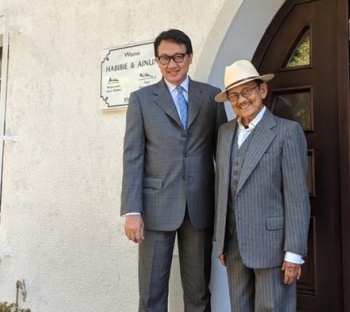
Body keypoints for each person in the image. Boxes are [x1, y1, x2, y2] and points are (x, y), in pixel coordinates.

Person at [120, 29, 227, 311]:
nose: (172, 64)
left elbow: (223, 155)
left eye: (178, 56)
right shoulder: (141, 99)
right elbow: (133, 156)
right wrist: (132, 210)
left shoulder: (211, 97)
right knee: (152, 294)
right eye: (164, 58)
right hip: (155, 208)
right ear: (157, 61)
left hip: (199, 207)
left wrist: (226, 209)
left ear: (189, 57)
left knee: (199, 294)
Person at [213, 60, 310, 312]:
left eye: (247, 91)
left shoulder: (286, 132)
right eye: (234, 95)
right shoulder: (224, 133)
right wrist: (221, 241)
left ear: (262, 91)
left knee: (272, 308)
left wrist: (294, 252)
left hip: (273, 245)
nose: (241, 99)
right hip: (234, 245)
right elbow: (222, 188)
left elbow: (297, 196)